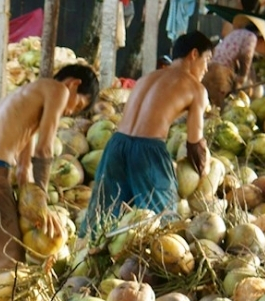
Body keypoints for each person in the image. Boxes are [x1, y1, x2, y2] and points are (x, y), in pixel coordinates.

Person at [0, 64, 99, 291]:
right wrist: (40, 202)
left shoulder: (28, 95)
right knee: (11, 265)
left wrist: (30, 196)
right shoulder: (58, 90)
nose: (70, 112)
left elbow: (23, 168)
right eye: (77, 105)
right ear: (74, 84)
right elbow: (45, 150)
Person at [85, 31, 213, 236]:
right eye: (207, 60)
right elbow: (194, 142)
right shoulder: (196, 88)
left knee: (102, 220)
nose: (207, 68)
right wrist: (203, 170)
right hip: (148, 151)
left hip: (116, 145)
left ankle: (86, 262)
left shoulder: (147, 78)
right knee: (161, 224)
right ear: (194, 54)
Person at [204, 15, 265, 105]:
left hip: (208, 66)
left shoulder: (236, 33)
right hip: (220, 72)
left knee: (206, 100)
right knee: (218, 105)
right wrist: (242, 76)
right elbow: (246, 56)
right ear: (259, 35)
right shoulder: (251, 37)